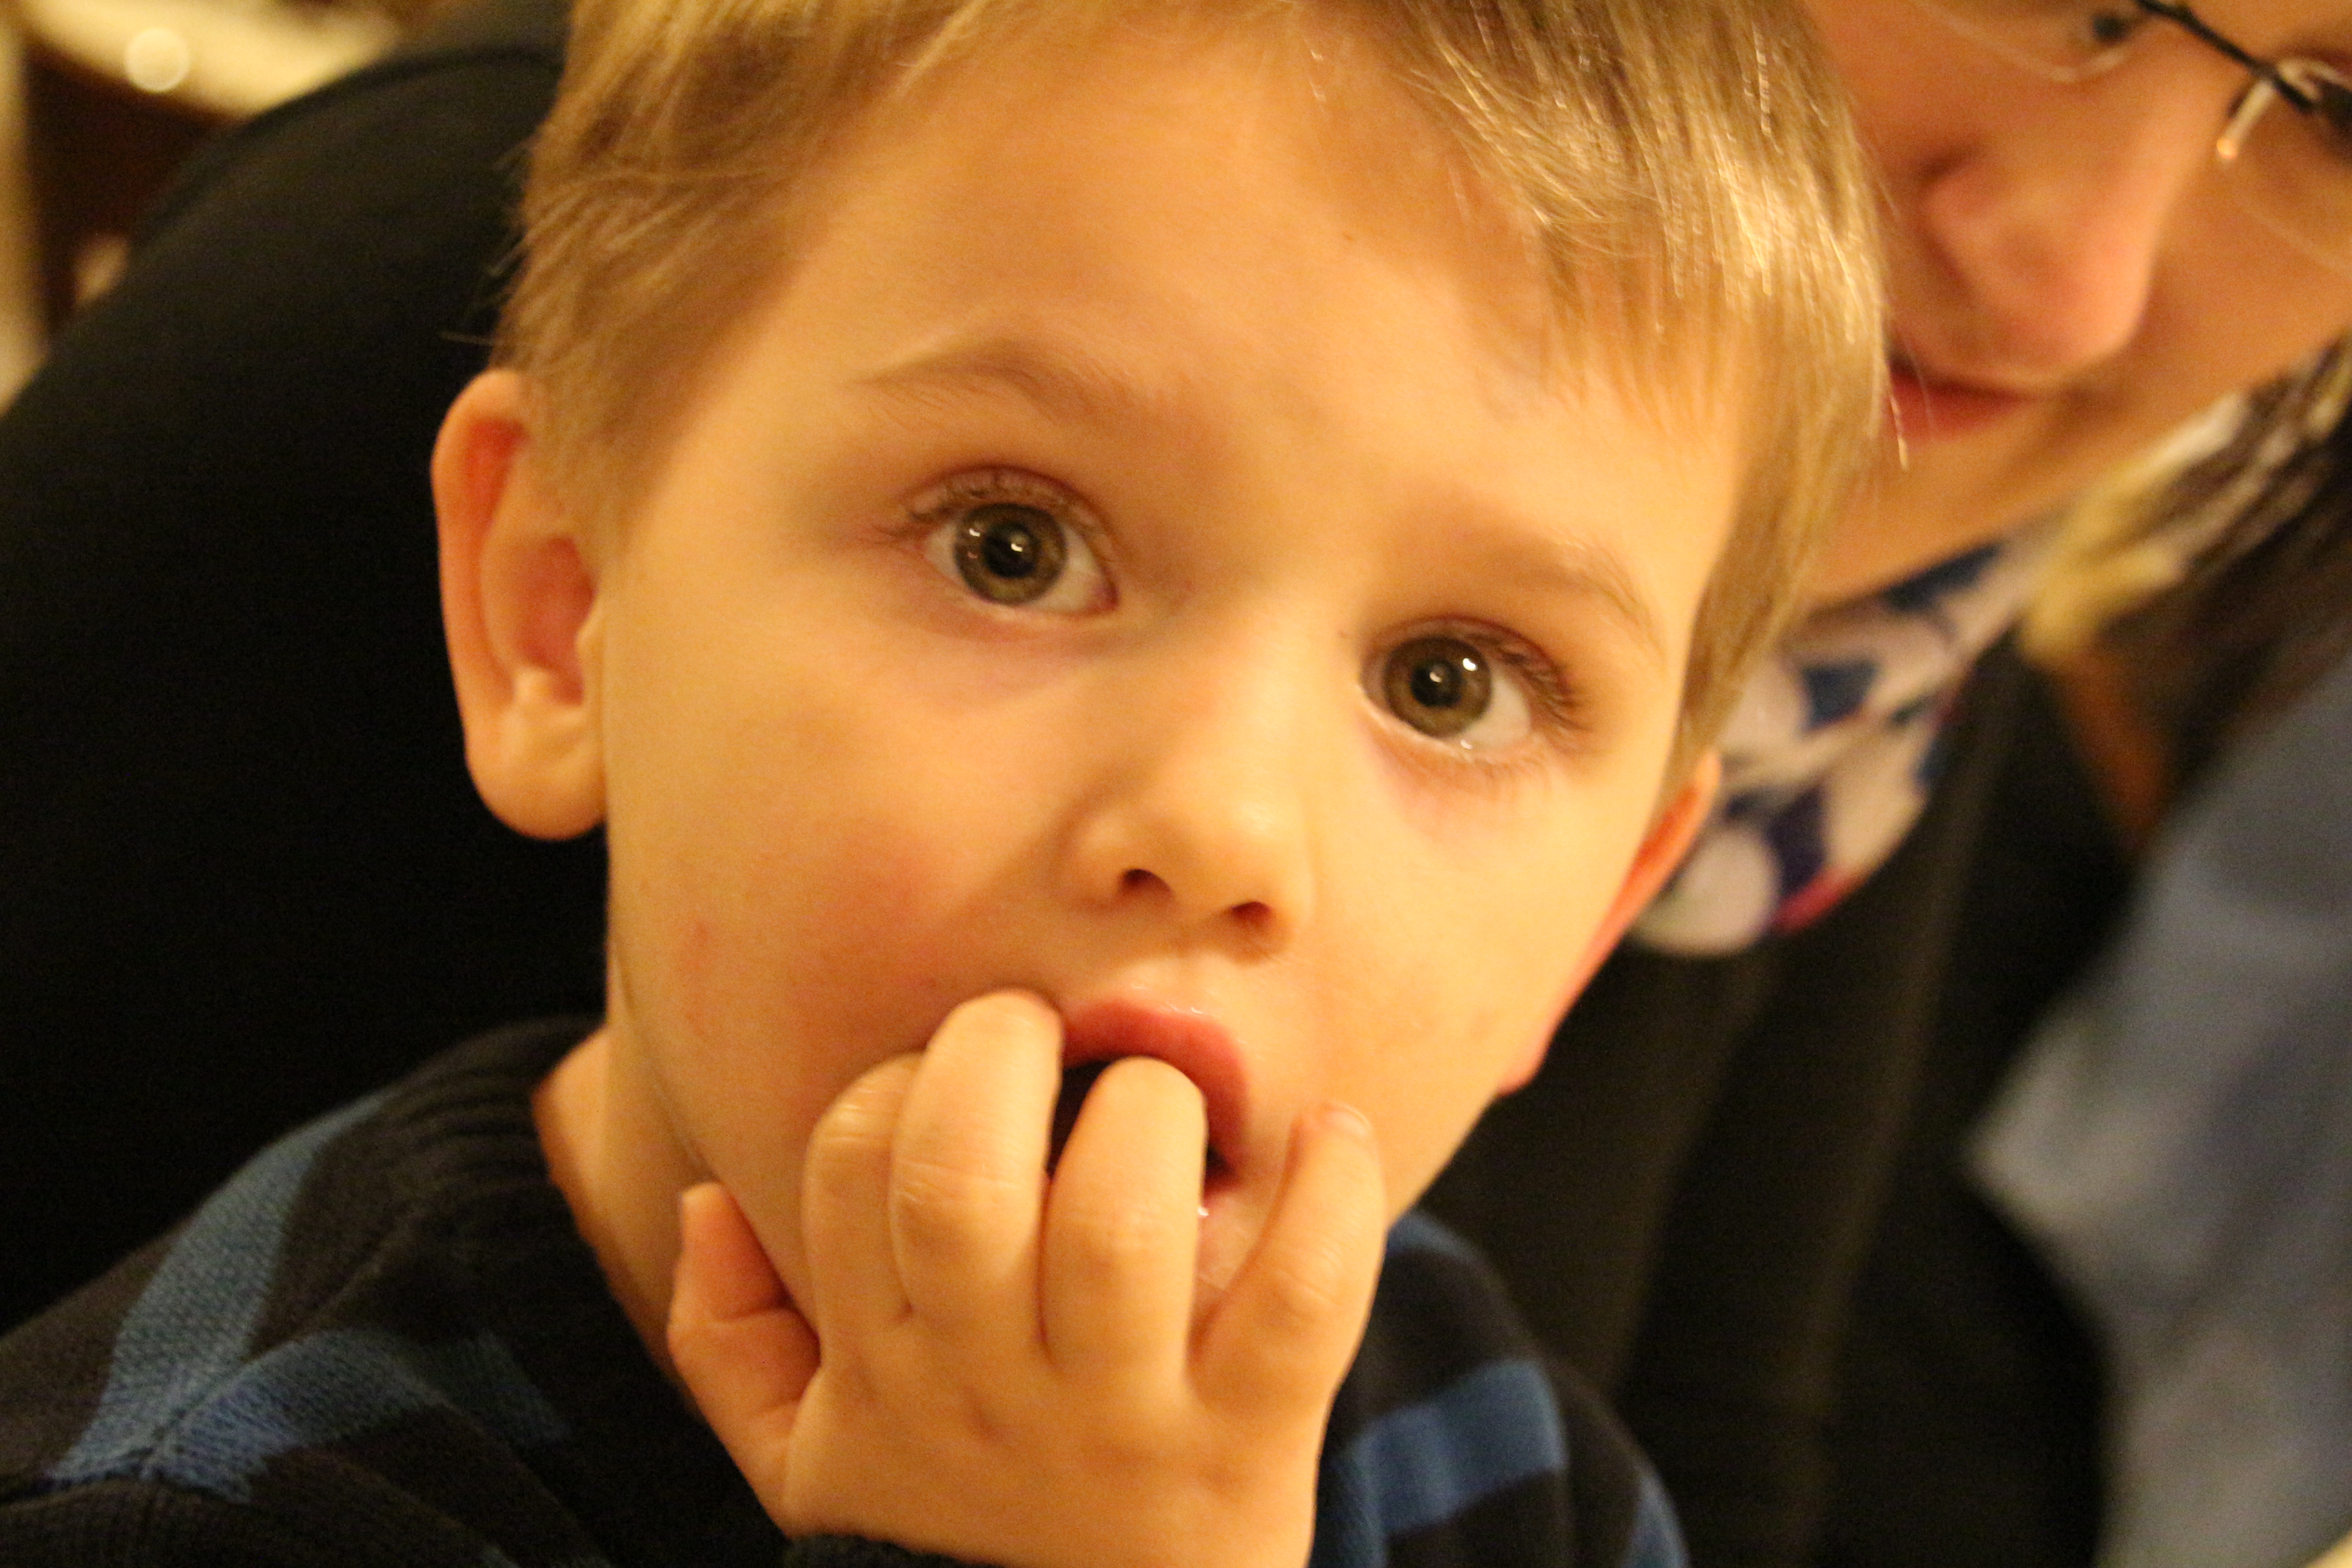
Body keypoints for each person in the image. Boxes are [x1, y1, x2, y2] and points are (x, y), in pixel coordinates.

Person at [0, 0, 1884, 1564]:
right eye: (1012, 546)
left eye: (1450, 684)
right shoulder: (208, 1514)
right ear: (564, 614)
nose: (1221, 826)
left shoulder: (1496, 1445)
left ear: (1597, 922)